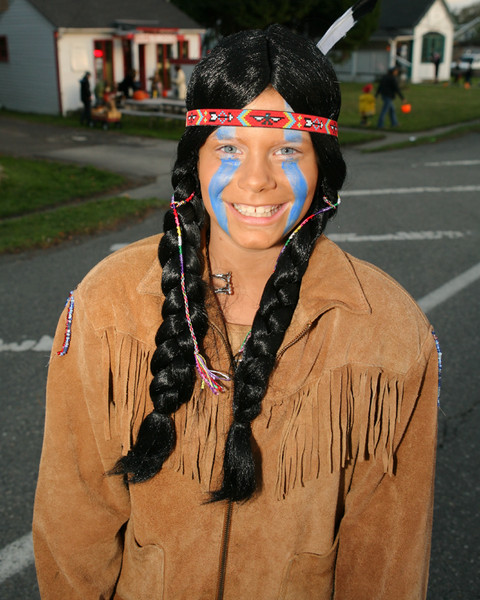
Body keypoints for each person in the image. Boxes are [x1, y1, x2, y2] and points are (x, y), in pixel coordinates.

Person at [33, 23, 439, 600]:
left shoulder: (390, 331)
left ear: (323, 164)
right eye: (228, 146)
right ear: (192, 161)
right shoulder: (108, 304)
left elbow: (388, 556)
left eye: (286, 149)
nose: (256, 180)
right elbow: (74, 520)